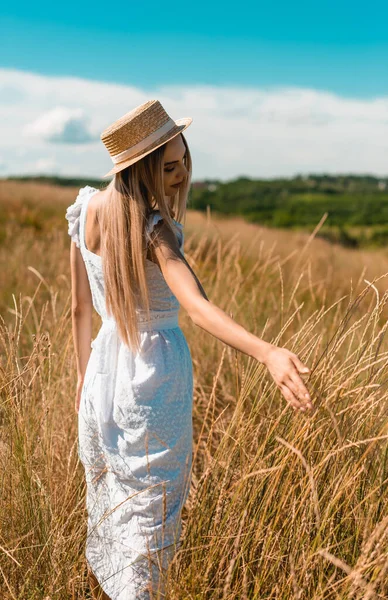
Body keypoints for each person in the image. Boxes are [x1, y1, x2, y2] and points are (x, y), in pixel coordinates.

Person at [66, 99, 314, 600]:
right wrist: (266, 352)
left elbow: (78, 313)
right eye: (169, 167)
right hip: (149, 386)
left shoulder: (87, 210)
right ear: (141, 171)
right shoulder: (154, 230)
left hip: (100, 376)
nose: (180, 177)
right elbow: (197, 308)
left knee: (116, 512)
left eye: (183, 161)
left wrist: (82, 381)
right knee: (148, 532)